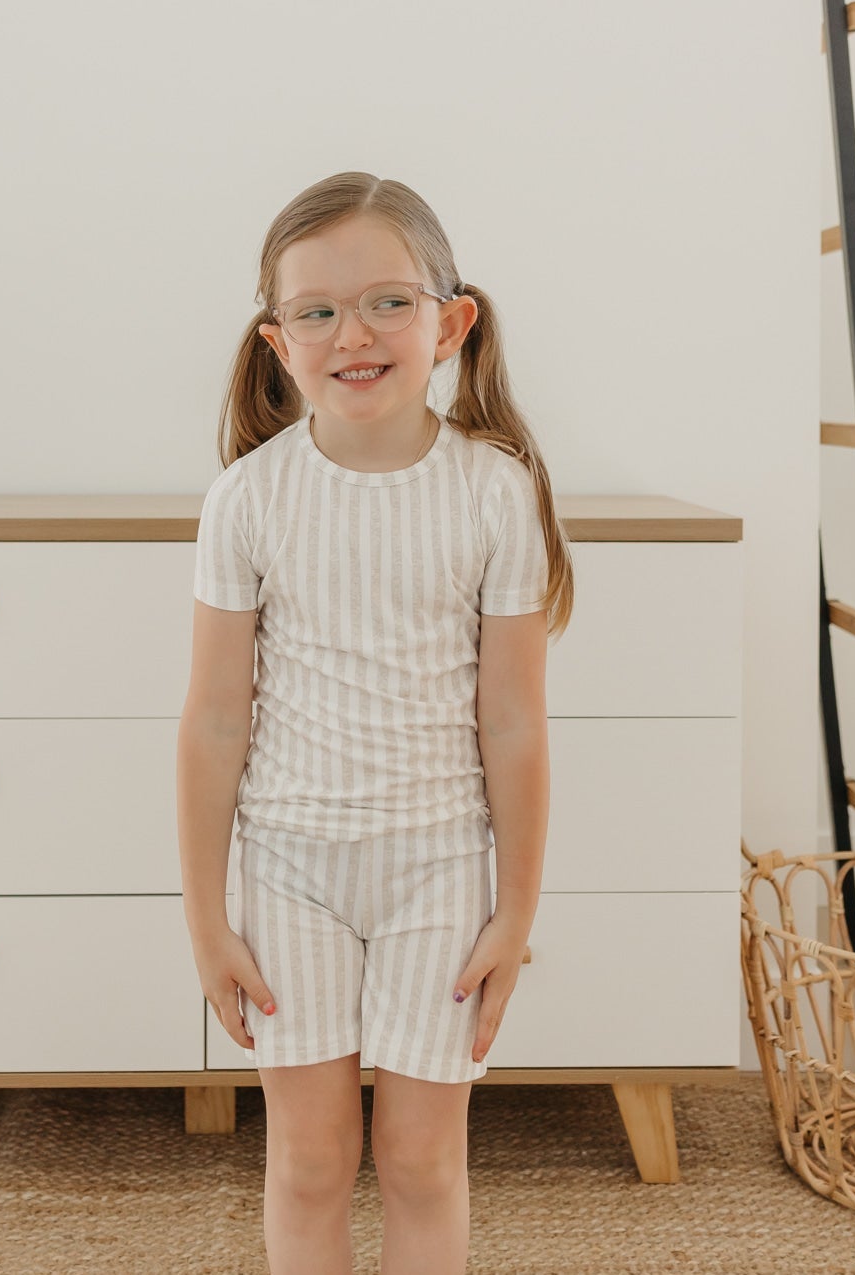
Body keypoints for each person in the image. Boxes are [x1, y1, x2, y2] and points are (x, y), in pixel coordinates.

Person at [177, 170, 575, 1274]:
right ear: (278, 343)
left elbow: (514, 723)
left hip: (439, 872)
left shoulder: (493, 491)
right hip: (288, 870)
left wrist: (513, 911)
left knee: (420, 1160)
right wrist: (206, 917)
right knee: (310, 1160)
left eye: (386, 302)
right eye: (316, 311)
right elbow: (213, 722)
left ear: (449, 323)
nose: (352, 334)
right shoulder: (246, 499)